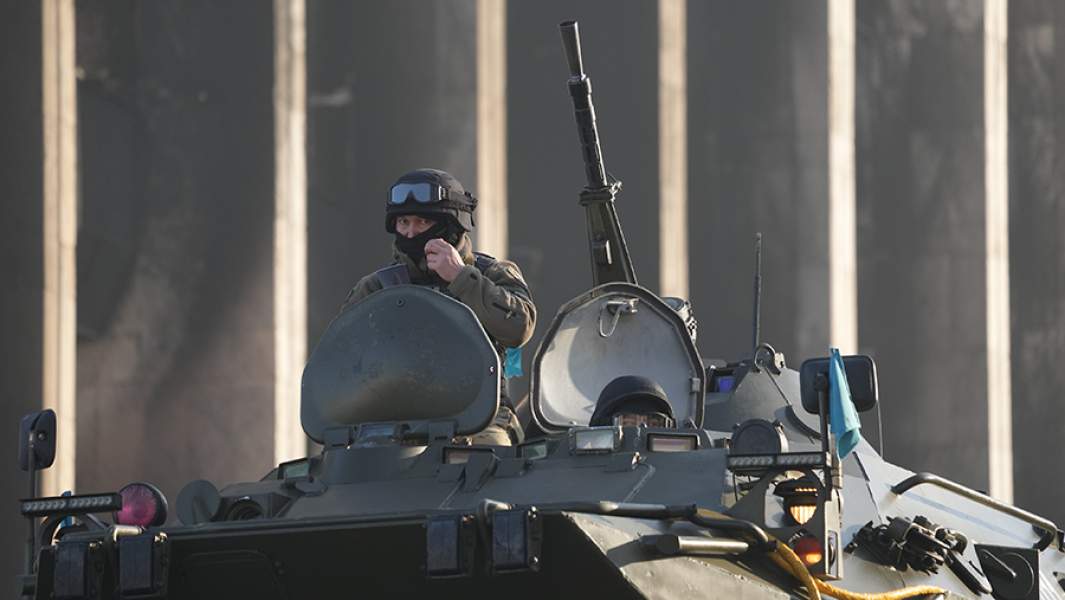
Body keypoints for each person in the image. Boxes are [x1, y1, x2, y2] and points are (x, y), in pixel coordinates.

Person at [341, 168, 536, 445]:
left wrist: (461, 278)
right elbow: (341, 357)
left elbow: (519, 328)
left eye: (422, 222)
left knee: (489, 455)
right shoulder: (377, 287)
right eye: (404, 222)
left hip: (480, 417)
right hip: (394, 422)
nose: (411, 232)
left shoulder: (492, 274)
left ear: (450, 226)